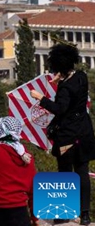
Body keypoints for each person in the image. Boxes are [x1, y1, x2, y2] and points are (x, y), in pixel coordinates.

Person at [30, 42, 95, 225]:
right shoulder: (81, 77)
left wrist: (41, 98)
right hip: (85, 132)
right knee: (82, 172)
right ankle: (85, 215)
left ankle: (63, 214)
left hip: (67, 135)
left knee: (65, 174)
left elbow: (60, 109)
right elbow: (75, 95)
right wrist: (61, 81)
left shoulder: (65, 88)